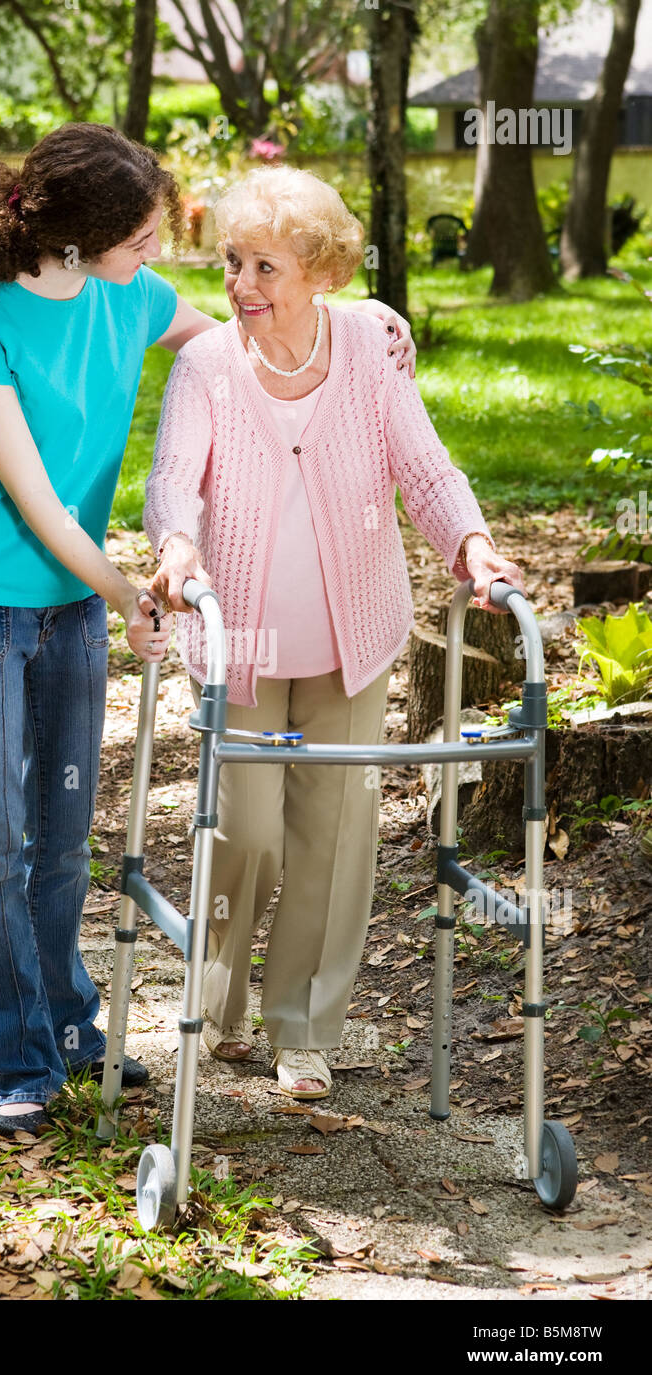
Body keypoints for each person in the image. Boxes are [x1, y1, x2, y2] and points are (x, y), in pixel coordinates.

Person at [0, 125, 416, 1137]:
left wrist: (367, 321)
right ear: (85, 233)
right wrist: (133, 587)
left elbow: (258, 332)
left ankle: (73, 1025)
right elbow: (39, 501)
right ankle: (14, 1058)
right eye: (141, 236)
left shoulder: (128, 297)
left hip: (68, 605)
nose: (159, 255)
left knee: (60, 838)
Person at [144, 165, 526, 1102]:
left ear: (317, 269)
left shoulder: (368, 350)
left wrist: (471, 544)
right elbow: (171, 479)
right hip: (242, 643)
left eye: (264, 266)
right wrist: (177, 547)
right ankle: (218, 1001)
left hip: (350, 633)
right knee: (246, 833)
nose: (240, 286)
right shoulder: (207, 367)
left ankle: (303, 1029)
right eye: (232, 263)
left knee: (334, 833)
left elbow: (423, 468)